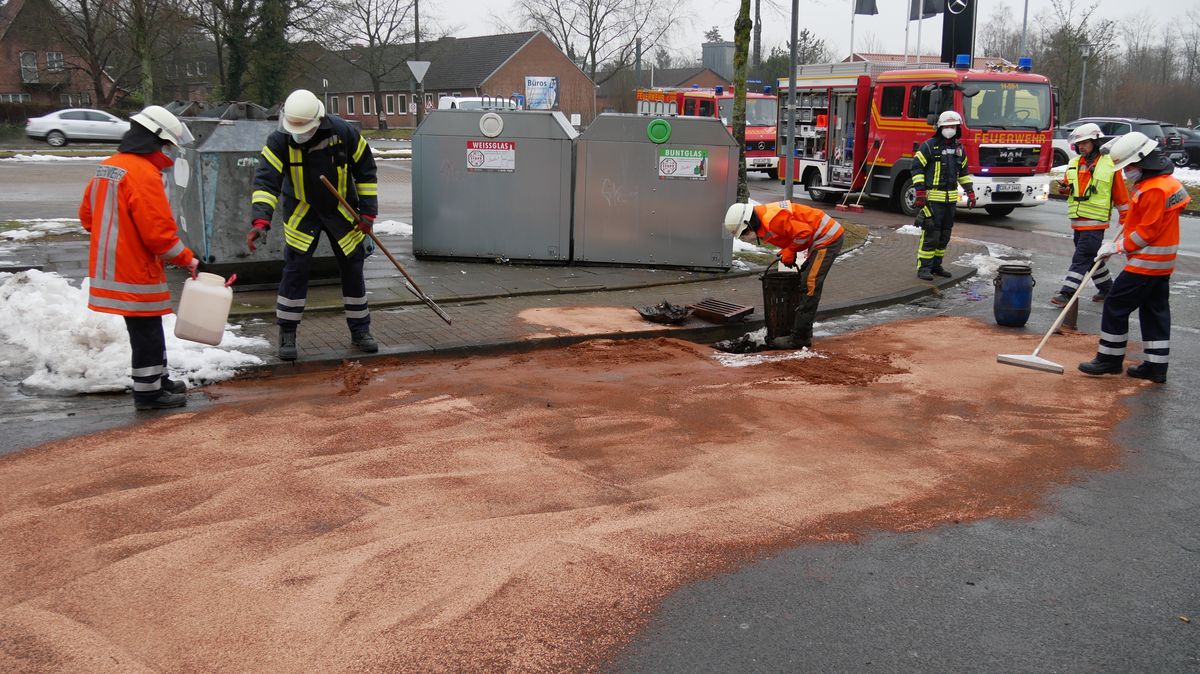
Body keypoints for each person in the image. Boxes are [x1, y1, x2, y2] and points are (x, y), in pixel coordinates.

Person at [78, 105, 199, 410]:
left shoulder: (109, 166)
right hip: (136, 271)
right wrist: (186, 258)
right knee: (146, 333)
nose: (170, 153)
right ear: (157, 142)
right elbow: (158, 234)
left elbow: (87, 217)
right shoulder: (144, 174)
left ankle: (160, 380)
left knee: (147, 328)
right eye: (168, 146)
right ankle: (148, 393)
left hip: (114, 266)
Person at [247, 88, 380, 361]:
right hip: (302, 213)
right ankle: (287, 333)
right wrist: (260, 220)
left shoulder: (344, 133)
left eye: (304, 127)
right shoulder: (279, 140)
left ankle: (361, 331)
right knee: (295, 272)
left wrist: (367, 215)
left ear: (318, 120)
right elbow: (265, 182)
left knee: (353, 269)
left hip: (342, 213)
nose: (300, 132)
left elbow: (366, 172)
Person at [1079, 132, 1189, 383]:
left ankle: (1109, 359)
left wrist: (1116, 247)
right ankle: (1156, 366)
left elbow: (1147, 233)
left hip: (1145, 264)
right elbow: (1150, 220)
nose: (1127, 171)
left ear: (1142, 162)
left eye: (1129, 166)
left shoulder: (1153, 190)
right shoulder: (1168, 184)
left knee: (1116, 305)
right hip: (1163, 263)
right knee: (1155, 311)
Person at [724, 199, 844, 350]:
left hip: (828, 238)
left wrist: (791, 249)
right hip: (819, 239)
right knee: (805, 282)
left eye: (744, 232)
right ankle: (802, 330)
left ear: (750, 222)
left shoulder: (772, 220)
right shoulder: (763, 218)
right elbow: (793, 232)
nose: (745, 237)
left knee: (810, 285)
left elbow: (804, 233)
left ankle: (800, 338)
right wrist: (790, 248)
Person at [1050, 122, 1130, 306]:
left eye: (1085, 143)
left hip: (1095, 223)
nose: (1081, 147)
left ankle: (1067, 293)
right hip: (1078, 222)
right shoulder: (1075, 163)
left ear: (1095, 141)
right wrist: (1065, 189)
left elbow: (1120, 194)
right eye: (1079, 144)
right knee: (1092, 258)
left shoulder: (1109, 165)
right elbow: (1071, 187)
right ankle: (1107, 289)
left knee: (1082, 257)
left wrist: (1126, 218)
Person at [912, 110, 976, 281]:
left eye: (953, 126)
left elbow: (963, 173)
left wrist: (970, 192)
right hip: (932, 201)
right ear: (940, 127)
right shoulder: (928, 146)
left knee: (944, 236)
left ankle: (936, 265)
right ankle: (923, 268)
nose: (950, 129)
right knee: (931, 235)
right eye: (947, 126)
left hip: (950, 202)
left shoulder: (959, 149)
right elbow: (917, 168)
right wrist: (920, 192)